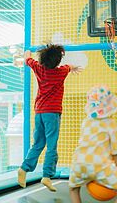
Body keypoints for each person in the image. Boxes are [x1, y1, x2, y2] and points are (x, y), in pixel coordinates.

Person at [18, 43, 82, 192]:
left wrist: (27, 51)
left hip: (39, 112)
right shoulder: (61, 72)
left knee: (38, 144)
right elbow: (69, 66)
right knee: (51, 145)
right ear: (57, 61)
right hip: (52, 113)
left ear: (42, 60)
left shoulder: (38, 68)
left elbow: (28, 59)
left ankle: (24, 168)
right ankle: (47, 176)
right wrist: (74, 68)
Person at [69, 85, 117, 203]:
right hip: (100, 165)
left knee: (73, 189)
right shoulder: (111, 124)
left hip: (79, 163)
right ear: (110, 107)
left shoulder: (86, 122)